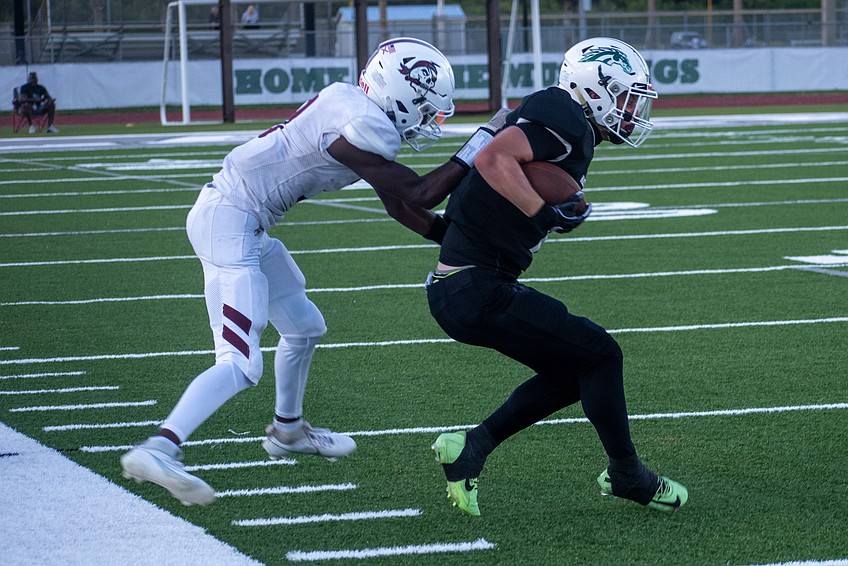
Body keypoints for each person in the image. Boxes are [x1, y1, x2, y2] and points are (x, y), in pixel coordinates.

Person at [120, 37, 508, 507]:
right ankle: (160, 447)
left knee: (304, 328)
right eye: (426, 107)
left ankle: (288, 430)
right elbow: (422, 192)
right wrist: (483, 142)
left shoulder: (356, 114)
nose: (430, 120)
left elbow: (402, 205)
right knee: (240, 362)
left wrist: (459, 243)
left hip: (245, 221)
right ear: (399, 93)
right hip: (229, 220)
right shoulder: (363, 123)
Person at [427, 37, 689, 516]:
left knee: (577, 369)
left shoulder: (552, 118)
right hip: (476, 287)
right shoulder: (564, 114)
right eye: (626, 97)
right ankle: (627, 473)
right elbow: (492, 159)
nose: (632, 112)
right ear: (593, 88)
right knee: (602, 355)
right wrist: (543, 212)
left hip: (467, 286)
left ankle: (474, 447)